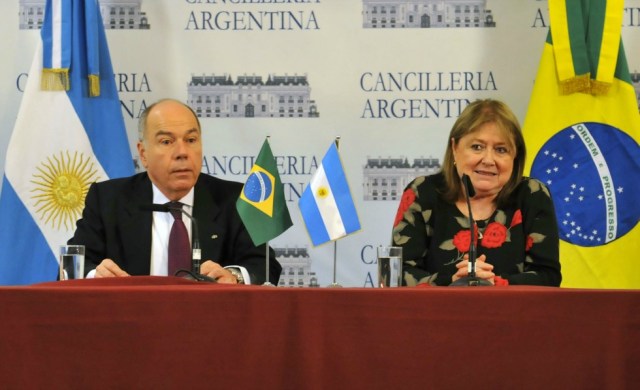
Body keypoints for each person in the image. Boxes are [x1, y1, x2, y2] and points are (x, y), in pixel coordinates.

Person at [68, 98, 281, 284]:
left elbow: (265, 266)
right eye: (167, 141)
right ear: (143, 154)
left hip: (211, 324)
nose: (182, 152)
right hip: (132, 324)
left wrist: (234, 276)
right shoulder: (108, 199)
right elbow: (72, 265)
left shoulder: (235, 200)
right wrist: (95, 274)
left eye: (191, 140)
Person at [392, 99, 561, 286]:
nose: (488, 159)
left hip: (514, 314)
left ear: (515, 156)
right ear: (455, 148)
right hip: (434, 313)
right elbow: (398, 274)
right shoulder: (422, 192)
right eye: (477, 147)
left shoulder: (532, 195)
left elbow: (548, 277)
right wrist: (453, 281)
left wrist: (493, 283)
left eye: (501, 149)